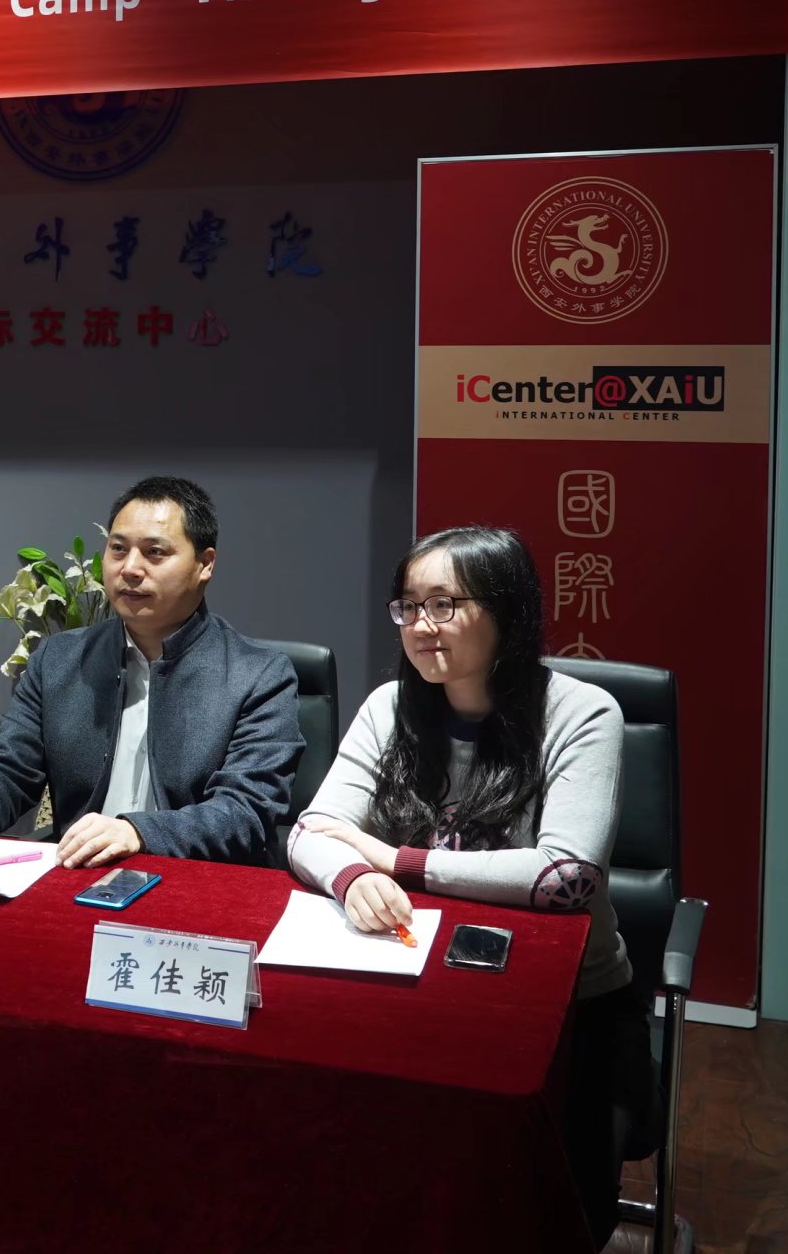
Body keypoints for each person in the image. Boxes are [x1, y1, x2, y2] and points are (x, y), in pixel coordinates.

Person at [288, 524, 653, 1251]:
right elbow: (310, 831)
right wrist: (352, 875)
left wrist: (399, 862)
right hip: (414, 984)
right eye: (408, 606)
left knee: (541, 1216)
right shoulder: (389, 707)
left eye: (444, 605)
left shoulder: (581, 712)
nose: (420, 626)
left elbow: (565, 876)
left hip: (564, 1010)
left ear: (507, 611)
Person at [0, 476, 300, 868]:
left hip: (197, 884)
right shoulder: (59, 658)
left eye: (155, 553)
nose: (130, 568)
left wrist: (139, 832)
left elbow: (245, 811)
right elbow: (9, 764)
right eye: (118, 549)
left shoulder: (259, 675)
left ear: (205, 564)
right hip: (79, 874)